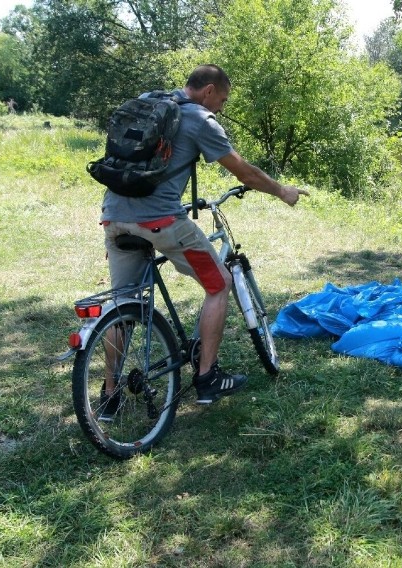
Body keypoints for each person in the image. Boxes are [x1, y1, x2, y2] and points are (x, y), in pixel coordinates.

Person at [99, 64, 307, 418]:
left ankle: (109, 395)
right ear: (208, 90)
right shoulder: (199, 119)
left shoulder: (151, 101)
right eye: (222, 100)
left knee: (122, 305)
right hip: (161, 221)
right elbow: (244, 171)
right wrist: (281, 191)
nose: (221, 108)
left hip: (114, 216)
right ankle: (207, 376)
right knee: (219, 283)